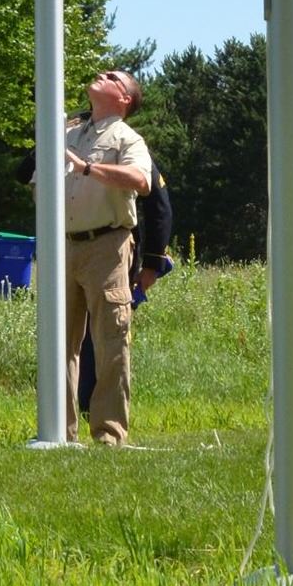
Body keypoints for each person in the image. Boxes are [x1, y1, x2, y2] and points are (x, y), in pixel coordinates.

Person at [63, 68, 152, 445]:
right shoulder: (67, 132)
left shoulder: (126, 137)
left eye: (113, 76)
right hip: (62, 244)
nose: (102, 73)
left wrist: (86, 167)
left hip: (107, 246)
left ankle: (108, 434)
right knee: (58, 342)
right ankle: (59, 432)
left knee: (110, 341)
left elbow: (141, 180)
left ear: (124, 98)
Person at [79, 152, 174, 420]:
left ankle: (97, 411)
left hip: (114, 250)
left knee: (108, 330)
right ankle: (69, 414)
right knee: (73, 333)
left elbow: (159, 205)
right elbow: (25, 172)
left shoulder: (127, 145)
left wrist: (153, 263)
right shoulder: (71, 140)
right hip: (68, 248)